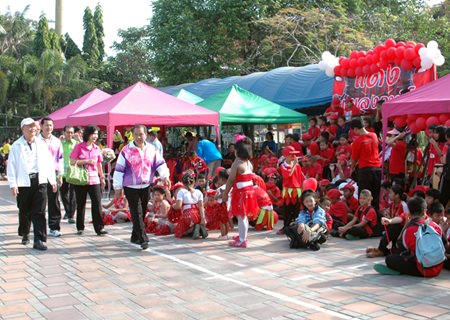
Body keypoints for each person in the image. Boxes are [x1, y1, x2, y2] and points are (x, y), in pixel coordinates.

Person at [113, 124, 170, 249]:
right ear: (133, 135)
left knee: (142, 212)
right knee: (137, 212)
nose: (139, 137)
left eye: (142, 134)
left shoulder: (151, 149)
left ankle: (135, 236)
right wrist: (117, 187)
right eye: (136, 134)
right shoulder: (126, 151)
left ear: (146, 135)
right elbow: (118, 170)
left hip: (145, 186)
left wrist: (165, 176)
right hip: (130, 187)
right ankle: (143, 238)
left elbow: (160, 163)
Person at [7, 118, 56, 250]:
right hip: (24, 182)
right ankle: (25, 232)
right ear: (23, 129)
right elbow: (11, 166)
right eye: (29, 127)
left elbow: (48, 163)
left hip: (40, 181)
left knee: (39, 211)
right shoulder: (16, 146)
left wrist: (52, 180)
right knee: (24, 210)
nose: (32, 129)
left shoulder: (41, 144)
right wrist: (13, 184)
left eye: (34, 127)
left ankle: (39, 240)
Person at [374, 197, 445, 277]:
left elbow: (398, 248)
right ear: (425, 211)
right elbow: (445, 244)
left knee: (390, 258)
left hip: (424, 269)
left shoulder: (409, 230)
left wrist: (406, 225)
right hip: (438, 266)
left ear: (409, 212)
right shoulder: (435, 226)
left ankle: (401, 270)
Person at [70, 125, 108, 237]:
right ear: (87, 134)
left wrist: (102, 177)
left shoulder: (97, 148)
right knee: (81, 203)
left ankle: (99, 227)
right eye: (93, 134)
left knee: (97, 203)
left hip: (94, 180)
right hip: (81, 179)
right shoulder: (79, 147)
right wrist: (85, 161)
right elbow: (72, 161)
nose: (95, 136)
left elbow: (99, 163)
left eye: (96, 134)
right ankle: (80, 227)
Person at [223, 136, 259, 248]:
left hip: (241, 194)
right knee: (244, 217)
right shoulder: (249, 164)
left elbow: (230, 180)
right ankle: (243, 236)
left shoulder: (237, 164)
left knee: (241, 216)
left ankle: (242, 240)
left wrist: (225, 193)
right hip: (249, 193)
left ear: (238, 151)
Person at [39, 117, 64, 237]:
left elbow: (61, 159)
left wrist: (60, 174)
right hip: (39, 174)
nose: (49, 127)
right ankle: (38, 226)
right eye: (46, 125)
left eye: (51, 125)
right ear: (41, 126)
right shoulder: (36, 141)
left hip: (53, 173)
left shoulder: (57, 141)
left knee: (54, 200)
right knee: (40, 201)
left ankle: (54, 227)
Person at [350, 118, 381, 212]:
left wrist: (352, 168)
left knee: (363, 196)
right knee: (375, 196)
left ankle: (364, 215)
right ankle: (375, 216)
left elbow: (354, 158)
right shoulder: (374, 135)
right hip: (377, 169)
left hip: (365, 170)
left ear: (355, 129)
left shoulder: (358, 141)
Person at [172, 170, 207, 239]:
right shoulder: (198, 192)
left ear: (183, 183)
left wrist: (172, 206)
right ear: (194, 182)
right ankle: (198, 227)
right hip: (197, 215)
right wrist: (203, 219)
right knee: (193, 223)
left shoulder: (181, 191)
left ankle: (193, 229)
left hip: (187, 215)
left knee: (180, 232)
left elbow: (178, 206)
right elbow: (201, 206)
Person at [277, 146, 304, 234]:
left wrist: (303, 188)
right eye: (291, 155)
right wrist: (293, 166)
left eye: (294, 155)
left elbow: (300, 177)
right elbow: (287, 176)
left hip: (297, 190)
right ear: (286, 156)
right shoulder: (283, 166)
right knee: (287, 210)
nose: (294, 156)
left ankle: (296, 228)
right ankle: (286, 227)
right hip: (288, 191)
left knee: (297, 210)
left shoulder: (297, 165)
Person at [60, 125, 78, 224]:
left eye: (71, 132)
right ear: (64, 133)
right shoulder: (60, 144)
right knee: (63, 193)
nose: (69, 134)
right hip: (63, 173)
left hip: (74, 172)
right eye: (67, 132)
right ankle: (67, 210)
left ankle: (71, 215)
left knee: (73, 195)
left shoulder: (76, 144)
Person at [439, 127, 450, 207]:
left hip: (447, 175)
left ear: (446, 136)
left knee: (443, 197)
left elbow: (443, 161)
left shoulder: (446, 146)